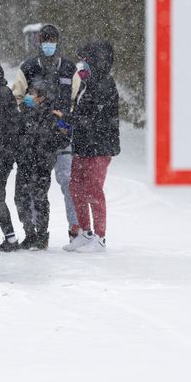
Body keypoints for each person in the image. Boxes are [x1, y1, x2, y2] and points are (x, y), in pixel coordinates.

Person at [11, 24, 78, 242]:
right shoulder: (28, 67)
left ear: (58, 42)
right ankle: (34, 233)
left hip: (61, 135)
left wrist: (66, 119)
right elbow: (16, 97)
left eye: (52, 40)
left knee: (67, 182)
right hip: (34, 137)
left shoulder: (69, 69)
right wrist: (25, 106)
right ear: (39, 42)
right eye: (45, 40)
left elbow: (77, 100)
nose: (49, 44)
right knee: (31, 188)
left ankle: (75, 231)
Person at [62, 41, 121, 253]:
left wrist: (70, 120)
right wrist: (66, 121)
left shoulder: (105, 85)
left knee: (93, 191)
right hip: (83, 145)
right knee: (75, 187)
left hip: (99, 147)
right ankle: (85, 232)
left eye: (86, 60)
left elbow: (94, 119)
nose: (82, 65)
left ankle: (100, 237)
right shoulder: (87, 85)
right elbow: (81, 115)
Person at [12, 79, 71, 249]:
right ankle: (29, 234)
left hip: (42, 165)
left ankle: (42, 236)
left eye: (33, 94)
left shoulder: (53, 115)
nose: (29, 96)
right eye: (29, 93)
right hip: (24, 163)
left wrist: (47, 145)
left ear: (42, 97)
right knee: (20, 199)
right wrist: (21, 147)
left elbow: (64, 137)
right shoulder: (23, 112)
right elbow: (15, 134)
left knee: (40, 200)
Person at [0, 62, 25, 251]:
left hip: (0, 153)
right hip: (6, 152)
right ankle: (0, 237)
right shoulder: (5, 93)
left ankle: (9, 238)